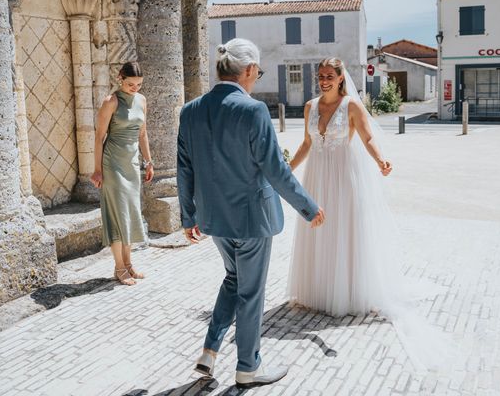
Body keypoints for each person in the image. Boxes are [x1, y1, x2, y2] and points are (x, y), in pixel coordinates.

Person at [177, 38, 325, 389]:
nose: (256, 78)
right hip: (251, 220)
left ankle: (210, 351)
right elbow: (275, 169)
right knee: (251, 292)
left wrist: (188, 217)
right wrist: (309, 207)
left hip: (213, 219)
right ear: (246, 71)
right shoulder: (253, 110)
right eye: (257, 72)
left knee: (234, 279)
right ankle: (248, 366)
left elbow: (184, 168)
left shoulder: (190, 110)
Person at [287, 57, 446, 371]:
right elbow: (307, 143)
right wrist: (286, 169)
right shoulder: (310, 107)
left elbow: (368, 137)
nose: (323, 81)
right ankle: (319, 291)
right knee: (317, 231)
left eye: (329, 76)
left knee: (343, 230)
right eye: (320, 76)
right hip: (316, 178)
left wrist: (380, 160)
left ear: (341, 78)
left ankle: (346, 293)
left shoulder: (352, 107)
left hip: (343, 179)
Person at [91, 62, 154, 286]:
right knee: (118, 215)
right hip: (112, 164)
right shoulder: (111, 102)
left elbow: (143, 133)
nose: (134, 88)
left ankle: (128, 264)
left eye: (138, 84)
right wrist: (97, 169)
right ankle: (119, 267)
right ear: (120, 78)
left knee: (129, 213)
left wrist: (148, 161)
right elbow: (99, 137)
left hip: (132, 164)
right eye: (130, 84)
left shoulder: (142, 100)